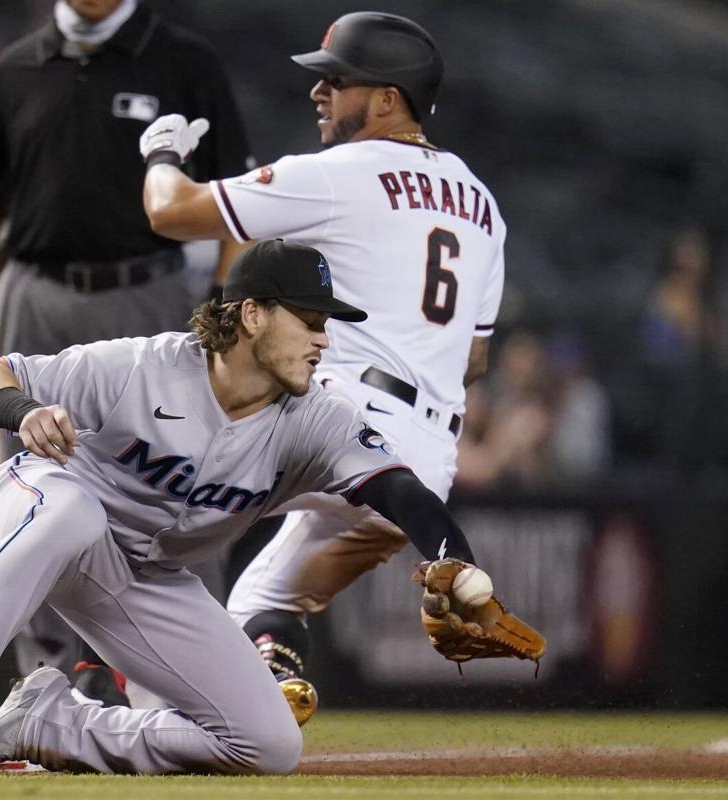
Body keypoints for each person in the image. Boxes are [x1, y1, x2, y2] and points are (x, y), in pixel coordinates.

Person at [0, 240, 486, 777]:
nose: (324, 339)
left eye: (325, 324)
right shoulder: (144, 367)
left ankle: (48, 724)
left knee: (268, 743)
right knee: (73, 514)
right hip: (38, 501)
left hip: (143, 576)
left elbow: (397, 489)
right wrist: (23, 410)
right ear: (252, 314)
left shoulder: (316, 419)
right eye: (308, 320)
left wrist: (455, 562)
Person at [139, 12, 505, 695]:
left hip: (338, 421)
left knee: (134, 487)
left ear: (388, 98)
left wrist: (161, 153)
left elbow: (171, 211)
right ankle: (276, 678)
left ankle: (98, 680)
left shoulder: (342, 173)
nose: (319, 91)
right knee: (261, 604)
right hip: (426, 463)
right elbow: (474, 361)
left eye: (337, 80)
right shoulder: (482, 203)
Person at [0, 0, 253, 700]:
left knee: (172, 483)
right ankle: (46, 684)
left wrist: (223, 306)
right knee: (32, 490)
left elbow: (235, 205)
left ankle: (191, 679)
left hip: (146, 294)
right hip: (32, 295)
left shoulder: (184, 62)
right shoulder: (15, 69)